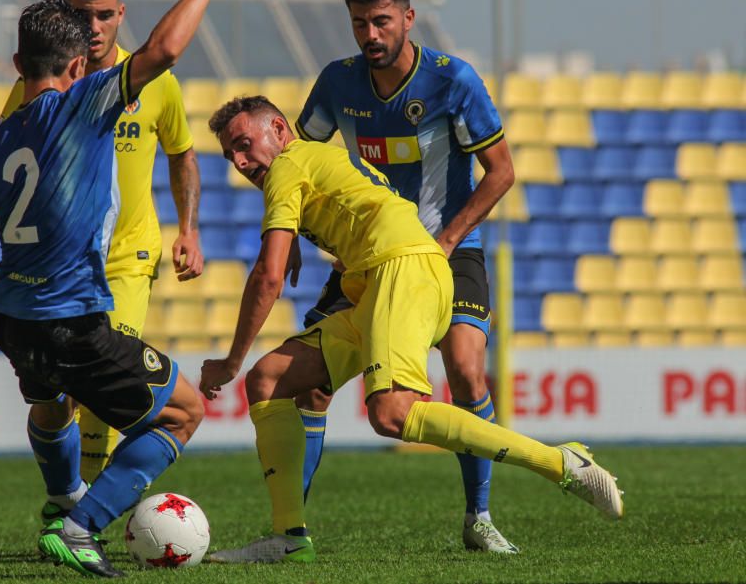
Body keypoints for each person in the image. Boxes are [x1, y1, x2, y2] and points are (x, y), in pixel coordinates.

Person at [0, 0, 242, 578]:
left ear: (18, 67)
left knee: (51, 404)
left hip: (9, 319)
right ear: (78, 68)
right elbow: (164, 47)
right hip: (70, 318)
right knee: (183, 411)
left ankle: (63, 499)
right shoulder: (85, 105)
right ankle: (80, 526)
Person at [199, 97, 622, 563]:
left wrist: (230, 362)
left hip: (400, 272)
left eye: (244, 145)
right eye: (230, 156)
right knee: (269, 379)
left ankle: (562, 463)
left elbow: (268, 276)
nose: (239, 162)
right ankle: (288, 538)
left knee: (392, 412)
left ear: (280, 129)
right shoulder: (320, 161)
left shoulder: (288, 167)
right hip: (387, 281)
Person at [0, 0, 204, 529]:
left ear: (121, 15)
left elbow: (182, 153)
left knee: (103, 383)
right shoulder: (38, 90)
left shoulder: (154, 85)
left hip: (125, 258)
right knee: (55, 401)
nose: (93, 27)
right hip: (58, 269)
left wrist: (189, 228)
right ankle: (71, 503)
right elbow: (6, 151)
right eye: (80, 15)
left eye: (102, 16)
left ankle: (85, 516)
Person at [292, 0, 520, 553]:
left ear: (408, 19)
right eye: (360, 23)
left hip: (448, 250)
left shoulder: (452, 81)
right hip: (368, 257)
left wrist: (447, 238)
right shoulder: (338, 83)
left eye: (382, 21)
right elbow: (293, 165)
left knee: (467, 368)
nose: (371, 34)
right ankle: (290, 531)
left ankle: (480, 517)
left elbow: (502, 173)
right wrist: (296, 233)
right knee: (308, 385)